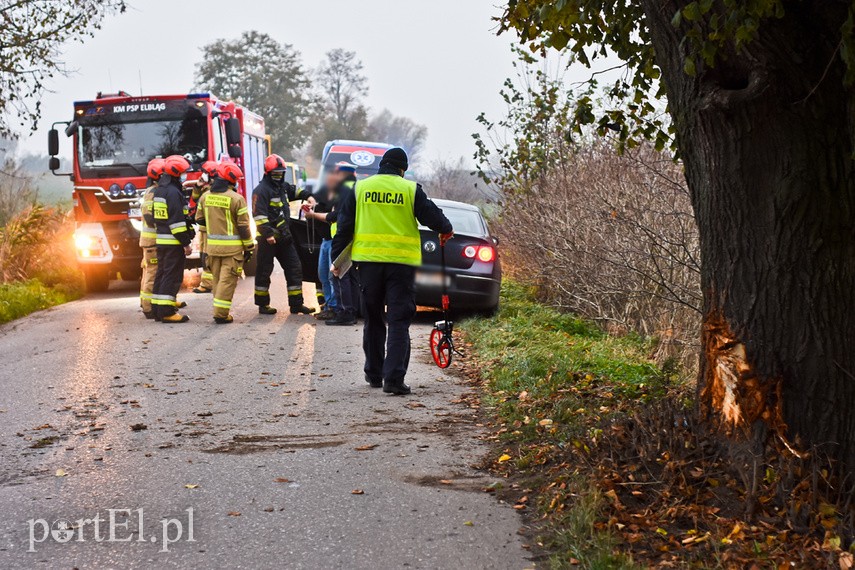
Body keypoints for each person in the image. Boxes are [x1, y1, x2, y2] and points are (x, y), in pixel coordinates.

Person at [331, 148, 453, 395]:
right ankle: (394, 380)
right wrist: (446, 228)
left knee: (374, 318)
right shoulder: (409, 190)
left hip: (367, 264)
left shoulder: (361, 188)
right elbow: (434, 218)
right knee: (399, 320)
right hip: (401, 266)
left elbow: (344, 226)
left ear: (381, 166)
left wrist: (336, 259)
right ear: (402, 169)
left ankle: (374, 374)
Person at [252, 154, 315, 315]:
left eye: (281, 173)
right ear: (268, 173)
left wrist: (309, 197)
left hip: (285, 238)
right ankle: (263, 305)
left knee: (295, 268)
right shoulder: (261, 190)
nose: (278, 176)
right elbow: (258, 215)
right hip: (269, 239)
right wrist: (267, 234)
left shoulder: (283, 187)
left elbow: (297, 191)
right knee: (264, 271)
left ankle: (296, 305)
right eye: (276, 173)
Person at [195, 162, 254, 323]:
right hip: (232, 251)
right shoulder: (236, 199)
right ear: (231, 180)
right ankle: (221, 314)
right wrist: (249, 247)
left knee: (217, 280)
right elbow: (243, 227)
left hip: (212, 248)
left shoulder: (205, 196)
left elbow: (199, 219)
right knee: (227, 282)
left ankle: (219, 310)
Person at [303, 162, 353, 320]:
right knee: (323, 274)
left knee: (334, 276)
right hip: (327, 240)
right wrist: (311, 206)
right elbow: (321, 205)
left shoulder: (347, 192)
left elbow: (334, 216)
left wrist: (313, 215)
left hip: (337, 240)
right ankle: (330, 305)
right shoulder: (331, 192)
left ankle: (337, 308)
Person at [149, 155, 195, 323]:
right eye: (184, 173)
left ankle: (157, 309)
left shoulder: (160, 190)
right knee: (172, 276)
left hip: (162, 240)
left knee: (162, 274)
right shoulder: (174, 192)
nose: (186, 176)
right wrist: (186, 243)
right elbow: (176, 222)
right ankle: (167, 312)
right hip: (173, 241)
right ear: (176, 173)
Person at [139, 158, 165, 319]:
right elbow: (150, 217)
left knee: (149, 271)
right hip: (152, 242)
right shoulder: (153, 192)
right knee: (152, 273)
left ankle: (146, 303)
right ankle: (148, 307)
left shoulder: (150, 191)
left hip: (149, 241)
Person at [191, 161, 218, 294]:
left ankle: (207, 284)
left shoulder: (213, 191)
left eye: (205, 173)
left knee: (207, 257)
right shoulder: (205, 188)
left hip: (209, 229)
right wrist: (197, 186)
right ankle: (207, 283)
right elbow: (195, 199)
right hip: (203, 229)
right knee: (204, 256)